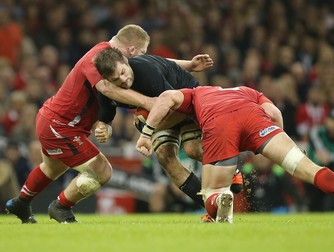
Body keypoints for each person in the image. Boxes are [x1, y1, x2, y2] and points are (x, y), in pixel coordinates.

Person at [4, 24, 209, 224]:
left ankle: (21, 202)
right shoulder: (96, 58)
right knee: (102, 171)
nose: (142, 57)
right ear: (130, 51)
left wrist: (188, 65)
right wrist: (149, 102)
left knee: (51, 168)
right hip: (61, 125)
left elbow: (154, 61)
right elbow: (106, 89)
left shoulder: (114, 60)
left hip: (58, 121)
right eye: (141, 52)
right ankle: (61, 206)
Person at [135, 85, 334, 223]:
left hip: (219, 122)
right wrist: (281, 142)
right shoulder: (248, 90)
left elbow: (167, 98)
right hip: (255, 118)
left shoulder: (195, 94)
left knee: (211, 195)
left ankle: (221, 200)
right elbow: (274, 114)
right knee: (304, 166)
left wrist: (146, 133)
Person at [93, 48, 243, 213]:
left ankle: (231, 169)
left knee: (192, 150)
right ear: (107, 81)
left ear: (125, 61)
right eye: (116, 79)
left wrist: (147, 130)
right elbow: (105, 120)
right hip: (158, 112)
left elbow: (172, 107)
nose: (124, 80)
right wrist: (103, 129)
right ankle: (212, 207)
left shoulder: (147, 73)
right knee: (165, 157)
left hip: (188, 102)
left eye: (122, 72)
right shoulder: (107, 91)